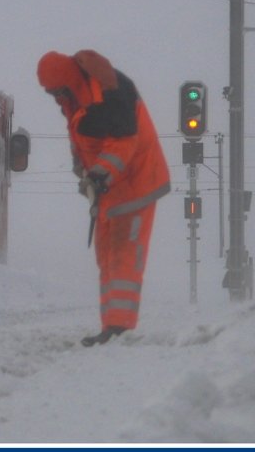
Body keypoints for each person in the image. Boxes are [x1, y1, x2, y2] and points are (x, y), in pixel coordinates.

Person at [36, 49, 170, 347]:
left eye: (57, 91)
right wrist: (82, 169)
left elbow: (124, 142)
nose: (56, 98)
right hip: (112, 188)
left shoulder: (111, 92)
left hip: (136, 184)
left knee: (124, 258)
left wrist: (99, 173)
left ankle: (120, 328)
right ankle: (111, 326)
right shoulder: (75, 97)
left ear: (67, 80)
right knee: (107, 257)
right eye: (51, 93)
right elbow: (80, 137)